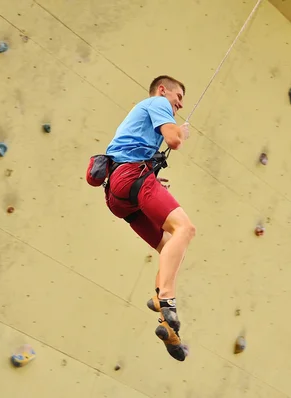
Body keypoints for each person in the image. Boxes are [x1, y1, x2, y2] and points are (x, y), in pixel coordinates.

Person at [103, 75, 196, 361]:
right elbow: (173, 141)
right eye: (178, 96)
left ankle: (168, 326)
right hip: (131, 177)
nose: (179, 104)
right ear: (162, 90)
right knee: (186, 229)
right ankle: (165, 298)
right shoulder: (157, 103)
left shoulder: (148, 115)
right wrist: (181, 133)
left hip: (118, 195)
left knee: (170, 246)